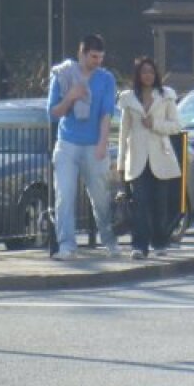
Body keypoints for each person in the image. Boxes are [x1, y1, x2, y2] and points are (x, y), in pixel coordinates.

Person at [47, 34, 121, 261]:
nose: (97, 61)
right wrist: (70, 97)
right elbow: (53, 113)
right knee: (65, 194)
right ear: (82, 53)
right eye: (93, 56)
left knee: (100, 197)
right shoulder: (63, 75)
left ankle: (109, 241)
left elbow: (107, 113)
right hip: (67, 143)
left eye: (100, 57)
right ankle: (67, 245)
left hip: (93, 145)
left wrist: (102, 144)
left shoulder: (106, 79)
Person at [118, 57, 183, 259]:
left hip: (160, 156)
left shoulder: (166, 96)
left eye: (151, 72)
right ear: (137, 75)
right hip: (137, 157)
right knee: (140, 202)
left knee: (159, 202)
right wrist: (120, 164)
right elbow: (123, 133)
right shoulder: (128, 99)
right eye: (144, 71)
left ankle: (160, 242)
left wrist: (155, 124)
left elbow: (176, 126)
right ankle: (139, 245)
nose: (148, 75)